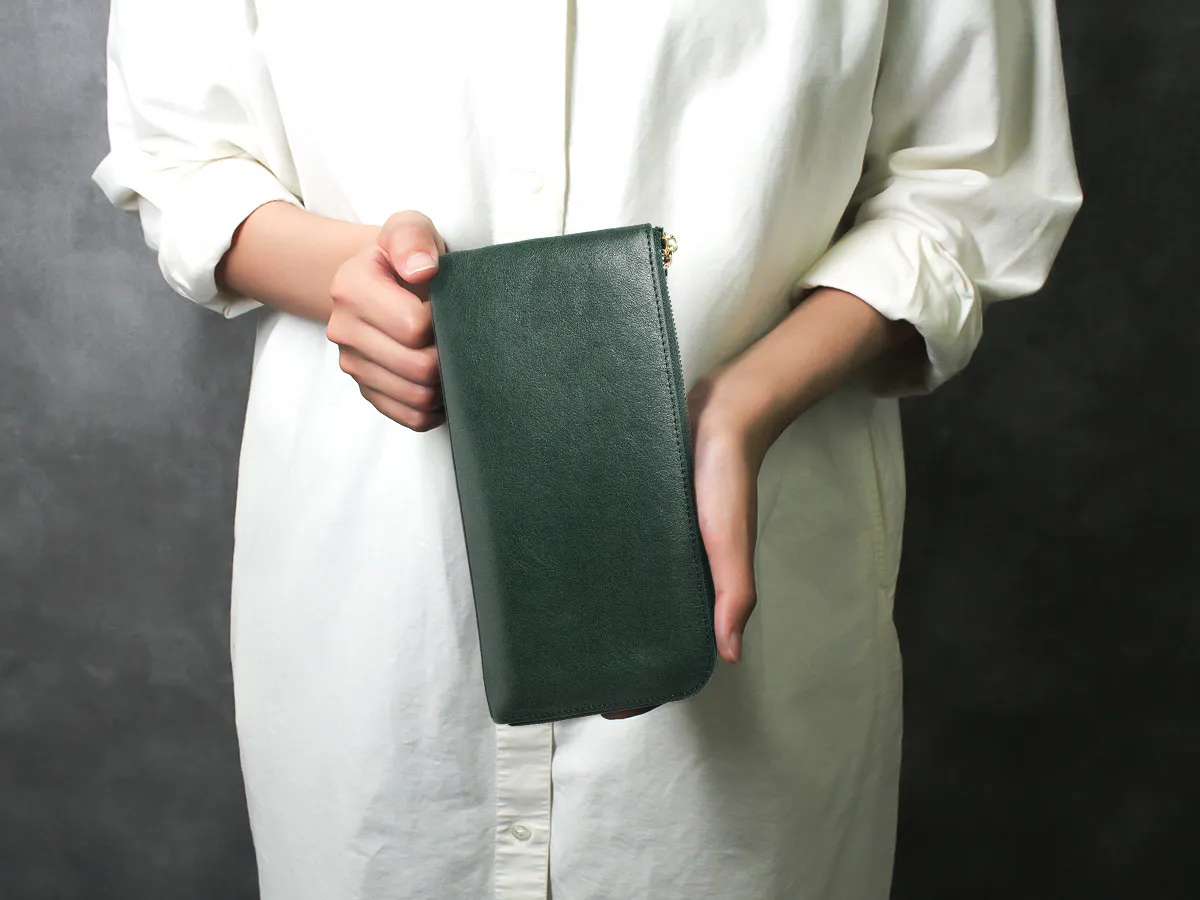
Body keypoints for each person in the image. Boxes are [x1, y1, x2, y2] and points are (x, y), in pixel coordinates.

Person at [90, 1, 1082, 898]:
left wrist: (742, 405)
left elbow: (974, 186)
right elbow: (181, 153)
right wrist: (348, 276)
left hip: (755, 621)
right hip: (379, 624)